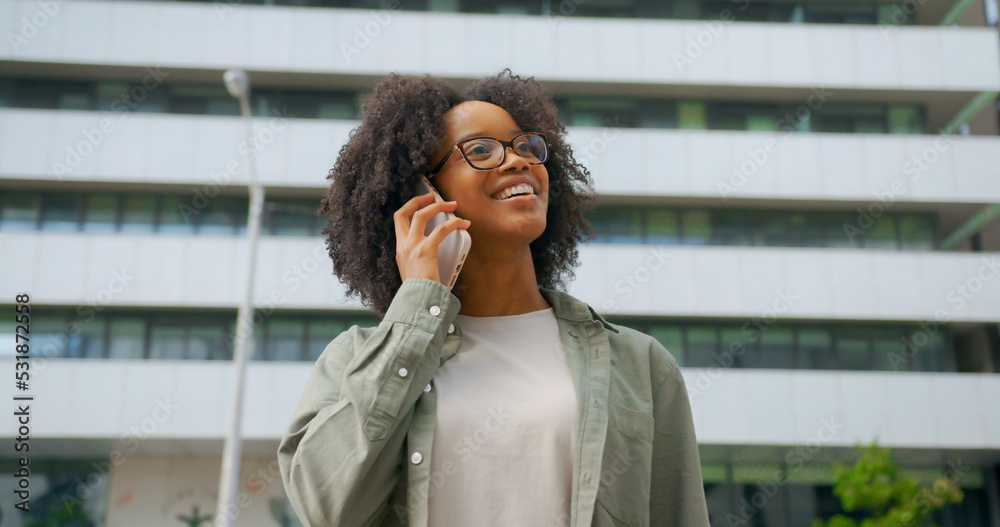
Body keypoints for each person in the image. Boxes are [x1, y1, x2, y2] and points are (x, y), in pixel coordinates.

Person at [277, 68, 710, 527]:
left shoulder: (640, 365)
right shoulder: (354, 361)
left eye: (526, 146)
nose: (518, 160)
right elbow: (325, 508)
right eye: (480, 150)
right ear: (423, 195)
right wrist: (418, 304)